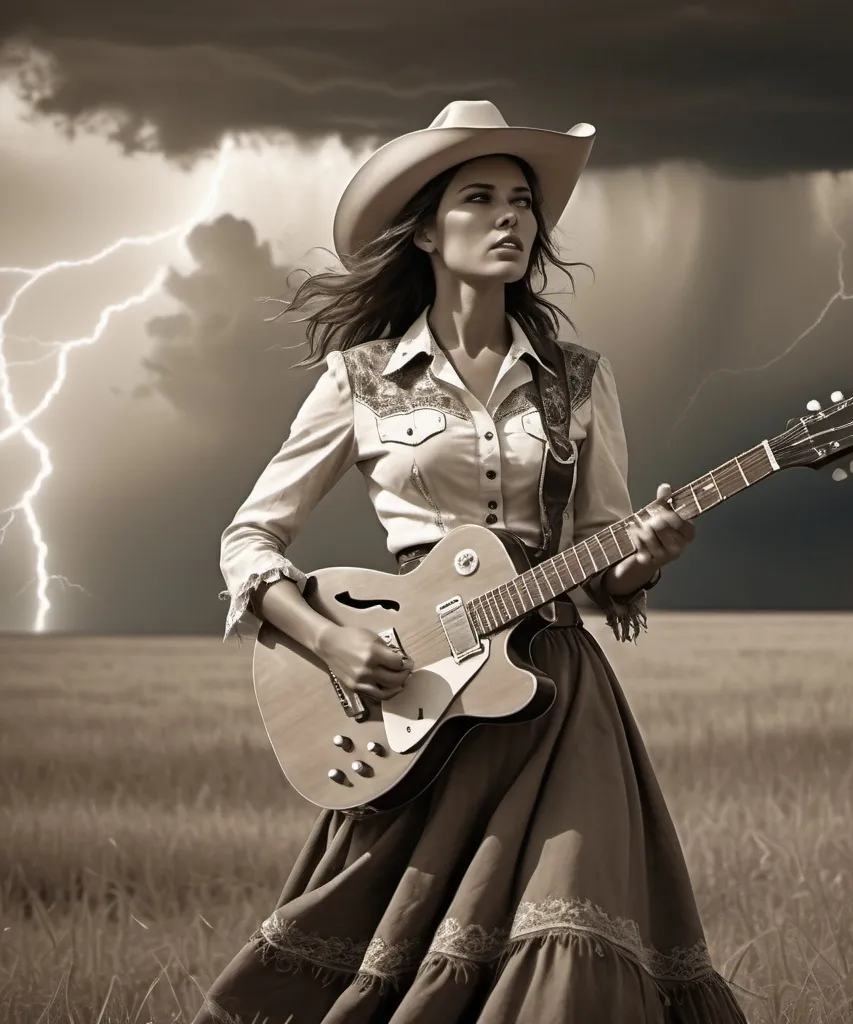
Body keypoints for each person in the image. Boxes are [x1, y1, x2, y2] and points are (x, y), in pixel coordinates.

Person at [194, 100, 748, 1024]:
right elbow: (249, 539)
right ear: (422, 229)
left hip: (559, 698)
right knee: (393, 945)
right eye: (479, 198)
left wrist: (646, 559)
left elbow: (607, 557)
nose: (510, 219)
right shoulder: (358, 379)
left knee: (572, 930)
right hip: (413, 702)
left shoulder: (580, 378)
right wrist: (328, 642)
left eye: (523, 202)